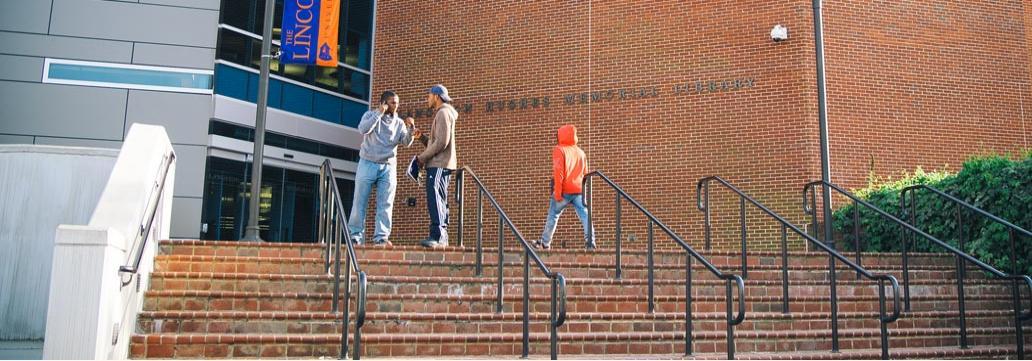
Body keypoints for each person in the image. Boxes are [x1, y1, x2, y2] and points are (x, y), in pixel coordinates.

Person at [347, 90, 415, 246]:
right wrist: (379, 113)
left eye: (397, 103)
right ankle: (355, 236)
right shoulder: (370, 115)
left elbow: (405, 142)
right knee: (359, 201)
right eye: (393, 102)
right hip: (367, 163)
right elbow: (363, 129)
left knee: (385, 203)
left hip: (388, 166)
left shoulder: (398, 123)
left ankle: (381, 237)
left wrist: (411, 129)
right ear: (384, 103)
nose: (396, 106)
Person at [533, 124, 596, 250]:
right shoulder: (581, 152)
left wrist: (557, 192)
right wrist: (584, 192)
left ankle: (545, 243)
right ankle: (591, 242)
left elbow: (559, 172)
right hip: (579, 190)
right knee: (585, 215)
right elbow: (586, 173)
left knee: (553, 214)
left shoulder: (559, 149)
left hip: (564, 191)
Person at [417, 84, 458, 248]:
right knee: (439, 198)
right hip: (440, 163)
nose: (428, 99)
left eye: (429, 96)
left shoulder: (443, 113)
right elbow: (436, 142)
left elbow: (442, 142)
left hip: (439, 164)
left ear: (436, 96)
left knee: (436, 198)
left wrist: (421, 158)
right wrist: (421, 138)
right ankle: (441, 236)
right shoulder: (444, 113)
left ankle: (439, 236)